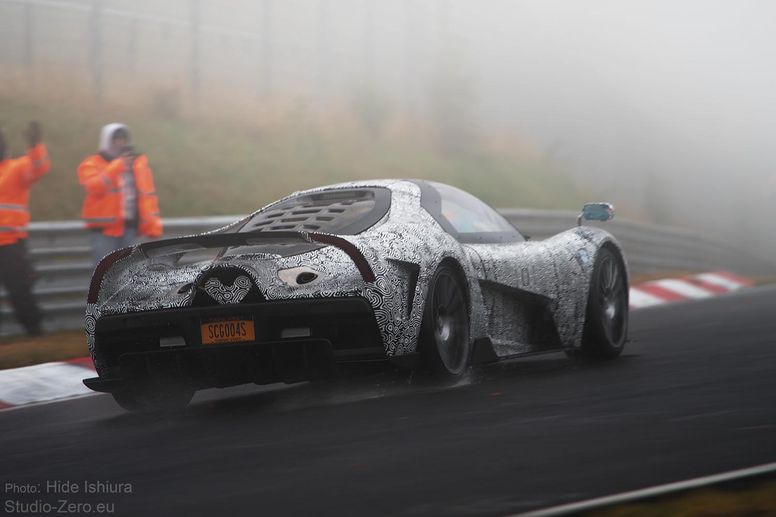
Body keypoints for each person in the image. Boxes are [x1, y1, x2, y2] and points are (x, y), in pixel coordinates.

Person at [78, 123, 162, 266]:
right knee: (104, 274)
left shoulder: (136, 165)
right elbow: (94, 187)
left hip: (129, 228)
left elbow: (146, 195)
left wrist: (151, 225)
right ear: (107, 141)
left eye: (123, 138)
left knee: (126, 274)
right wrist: (117, 166)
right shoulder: (91, 163)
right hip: (104, 231)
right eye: (116, 138)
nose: (120, 142)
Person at [0, 122, 51, 336]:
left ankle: (34, 332)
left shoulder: (17, 167)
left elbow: (39, 167)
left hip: (11, 244)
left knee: (21, 292)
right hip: (10, 245)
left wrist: (35, 145)